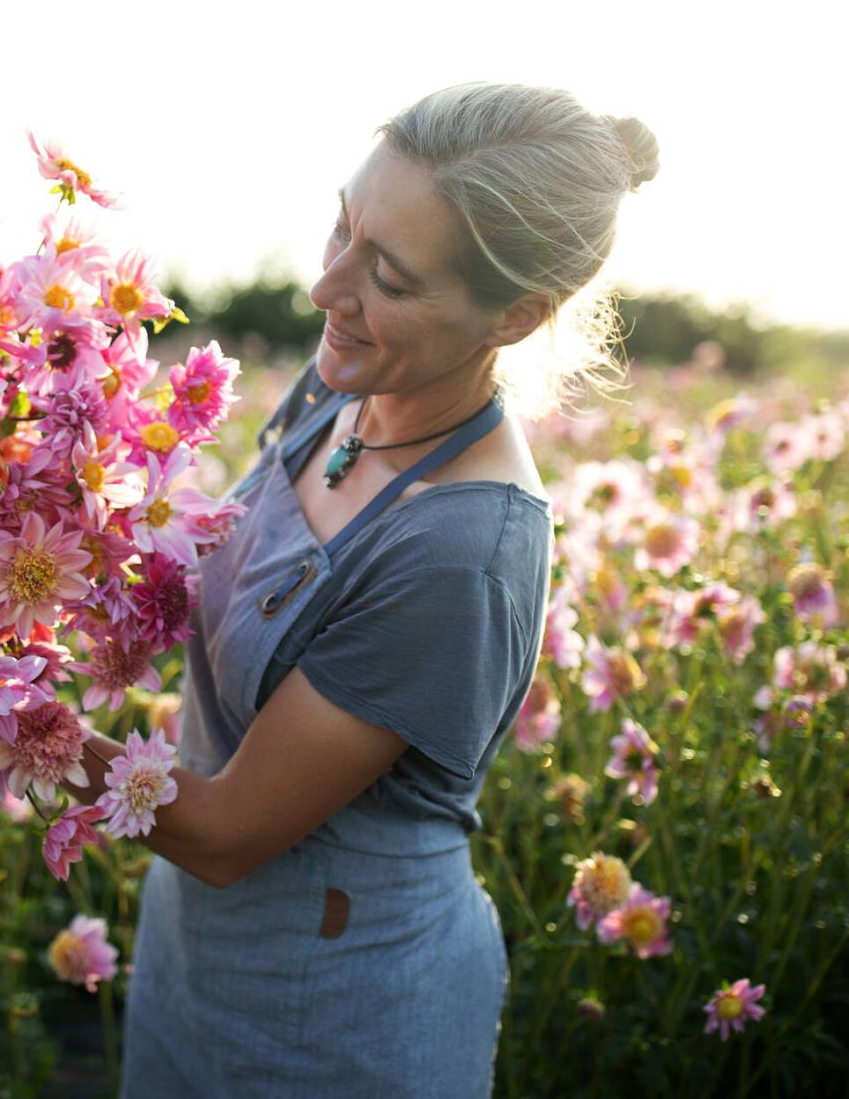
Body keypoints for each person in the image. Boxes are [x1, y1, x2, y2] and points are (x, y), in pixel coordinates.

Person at [58, 81, 659, 1098]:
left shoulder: (458, 548)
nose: (323, 288)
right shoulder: (344, 384)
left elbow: (223, 832)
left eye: (386, 274)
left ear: (515, 316)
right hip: (197, 953)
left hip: (342, 1009)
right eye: (342, 227)